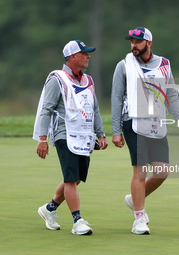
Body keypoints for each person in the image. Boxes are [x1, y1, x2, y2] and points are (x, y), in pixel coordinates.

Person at [111, 27, 179, 235]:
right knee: (140, 171)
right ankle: (139, 219)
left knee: (163, 171)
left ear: (149, 43)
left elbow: (171, 94)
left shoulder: (164, 65)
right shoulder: (124, 65)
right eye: (132, 42)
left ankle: (134, 198)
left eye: (138, 41)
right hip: (133, 122)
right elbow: (117, 98)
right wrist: (115, 129)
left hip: (157, 122)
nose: (133, 45)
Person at [33, 40, 108, 235]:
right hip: (63, 135)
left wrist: (100, 133)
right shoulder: (57, 79)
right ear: (73, 56)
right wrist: (43, 139)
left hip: (84, 135)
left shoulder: (88, 81)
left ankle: (49, 209)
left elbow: (95, 109)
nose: (88, 56)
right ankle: (77, 221)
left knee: (76, 180)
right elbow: (46, 110)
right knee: (71, 178)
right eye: (84, 53)